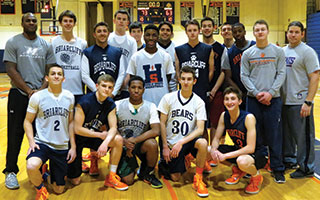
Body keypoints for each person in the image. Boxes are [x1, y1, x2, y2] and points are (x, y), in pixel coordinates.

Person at [3, 12, 56, 189]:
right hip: (19, 95)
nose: (32, 23)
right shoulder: (13, 42)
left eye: (34, 20)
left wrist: (39, 91)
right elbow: (10, 69)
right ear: (22, 23)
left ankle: (41, 169)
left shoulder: (45, 45)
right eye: (28, 20)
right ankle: (11, 171)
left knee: (41, 134)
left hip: (41, 95)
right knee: (15, 134)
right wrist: (27, 90)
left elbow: (49, 71)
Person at [240, 19, 286, 183]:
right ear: (254, 33)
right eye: (257, 30)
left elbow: (281, 74)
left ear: (267, 31)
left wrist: (270, 93)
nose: (260, 32)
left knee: (274, 135)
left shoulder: (278, 51)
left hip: (273, 101)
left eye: (262, 30)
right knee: (254, 136)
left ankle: (277, 168)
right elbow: (244, 76)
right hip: (253, 100)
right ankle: (254, 166)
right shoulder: (248, 53)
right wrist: (257, 93)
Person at [67, 74, 128, 191]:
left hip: (93, 136)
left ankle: (111, 176)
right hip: (77, 138)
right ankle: (76, 162)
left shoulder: (110, 104)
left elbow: (113, 128)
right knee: (75, 181)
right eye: (104, 86)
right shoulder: (84, 102)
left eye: (110, 87)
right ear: (97, 86)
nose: (107, 89)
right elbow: (77, 129)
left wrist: (105, 143)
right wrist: (100, 135)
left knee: (118, 140)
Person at [24, 65, 76, 200]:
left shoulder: (69, 97)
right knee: (31, 165)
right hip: (43, 143)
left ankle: (46, 174)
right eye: (53, 74)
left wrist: (73, 146)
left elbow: (71, 123)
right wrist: (31, 142)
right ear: (47, 78)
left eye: (59, 74)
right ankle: (40, 189)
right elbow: (27, 122)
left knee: (59, 190)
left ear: (64, 79)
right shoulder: (37, 97)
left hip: (61, 146)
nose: (56, 76)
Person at [158, 66, 209, 197]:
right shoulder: (168, 98)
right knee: (175, 178)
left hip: (186, 142)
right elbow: (162, 123)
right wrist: (164, 146)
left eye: (189, 79)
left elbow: (200, 129)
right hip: (170, 143)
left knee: (203, 143)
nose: (186, 82)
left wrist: (182, 142)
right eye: (183, 79)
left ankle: (198, 178)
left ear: (194, 81)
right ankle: (165, 163)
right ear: (179, 80)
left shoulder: (199, 102)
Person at [210, 86, 267, 194]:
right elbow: (216, 138)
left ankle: (256, 177)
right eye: (226, 99)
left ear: (239, 101)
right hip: (239, 150)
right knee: (209, 150)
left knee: (242, 161)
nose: (229, 102)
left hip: (257, 154)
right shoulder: (224, 115)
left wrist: (225, 156)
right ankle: (238, 169)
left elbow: (251, 148)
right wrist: (213, 149)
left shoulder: (248, 118)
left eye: (233, 99)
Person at [281, 21, 320, 178]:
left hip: (300, 102)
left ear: (302, 34)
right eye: (291, 31)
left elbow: (315, 76)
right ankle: (290, 160)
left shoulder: (307, 52)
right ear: (287, 33)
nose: (293, 35)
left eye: (297, 32)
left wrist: (308, 101)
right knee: (287, 136)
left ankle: (306, 167)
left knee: (303, 138)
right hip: (284, 101)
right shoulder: (282, 51)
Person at [116, 76, 162, 188]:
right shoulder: (117, 105)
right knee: (128, 181)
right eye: (133, 87)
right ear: (128, 89)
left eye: (139, 88)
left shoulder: (150, 106)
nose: (136, 90)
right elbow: (111, 128)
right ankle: (121, 165)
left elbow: (156, 130)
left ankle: (147, 173)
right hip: (122, 145)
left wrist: (134, 141)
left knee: (152, 143)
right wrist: (125, 142)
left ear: (143, 90)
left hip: (139, 144)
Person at [127, 24, 174, 106]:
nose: (151, 38)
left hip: (162, 102)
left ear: (158, 37)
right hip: (142, 102)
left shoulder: (165, 56)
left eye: (154, 35)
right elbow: (133, 78)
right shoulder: (136, 57)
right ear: (144, 37)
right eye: (148, 35)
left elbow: (168, 77)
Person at [51, 10, 88, 103]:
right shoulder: (53, 42)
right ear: (60, 23)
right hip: (58, 89)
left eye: (70, 21)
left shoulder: (82, 43)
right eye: (65, 21)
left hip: (77, 89)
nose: (68, 24)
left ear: (74, 24)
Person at [175, 19, 214, 106]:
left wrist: (204, 83)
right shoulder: (179, 50)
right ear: (186, 32)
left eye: (195, 30)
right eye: (189, 30)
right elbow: (178, 72)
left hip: (202, 89)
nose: (192, 33)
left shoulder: (208, 49)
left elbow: (211, 71)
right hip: (185, 89)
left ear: (199, 31)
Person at [201, 16, 225, 149]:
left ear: (214, 28)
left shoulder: (221, 49)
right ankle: (204, 153)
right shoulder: (198, 47)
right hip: (200, 91)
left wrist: (214, 90)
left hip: (216, 90)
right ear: (201, 29)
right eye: (204, 26)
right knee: (202, 122)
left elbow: (223, 71)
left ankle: (213, 151)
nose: (206, 28)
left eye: (209, 26)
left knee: (215, 123)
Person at [81, 22, 124, 97]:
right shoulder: (87, 52)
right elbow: (85, 76)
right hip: (94, 96)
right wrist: (99, 92)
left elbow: (121, 74)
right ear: (94, 35)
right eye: (99, 31)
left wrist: (113, 93)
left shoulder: (117, 52)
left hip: (113, 96)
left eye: (104, 31)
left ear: (109, 34)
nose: (102, 33)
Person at [222, 22, 256, 110]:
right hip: (240, 91)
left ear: (244, 32)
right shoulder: (229, 53)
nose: (237, 34)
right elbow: (228, 77)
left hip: (256, 90)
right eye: (235, 32)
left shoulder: (255, 46)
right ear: (232, 34)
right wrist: (238, 92)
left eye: (240, 31)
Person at [108, 10, 137, 99]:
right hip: (109, 83)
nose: (121, 21)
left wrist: (125, 81)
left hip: (126, 84)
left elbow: (133, 64)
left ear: (127, 22)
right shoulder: (108, 38)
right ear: (114, 21)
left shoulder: (132, 41)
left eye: (124, 19)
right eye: (119, 18)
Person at [157, 21, 177, 92]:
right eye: (162, 30)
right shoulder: (153, 48)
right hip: (157, 87)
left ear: (172, 34)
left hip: (172, 88)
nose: (165, 32)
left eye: (168, 30)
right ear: (158, 32)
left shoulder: (176, 49)